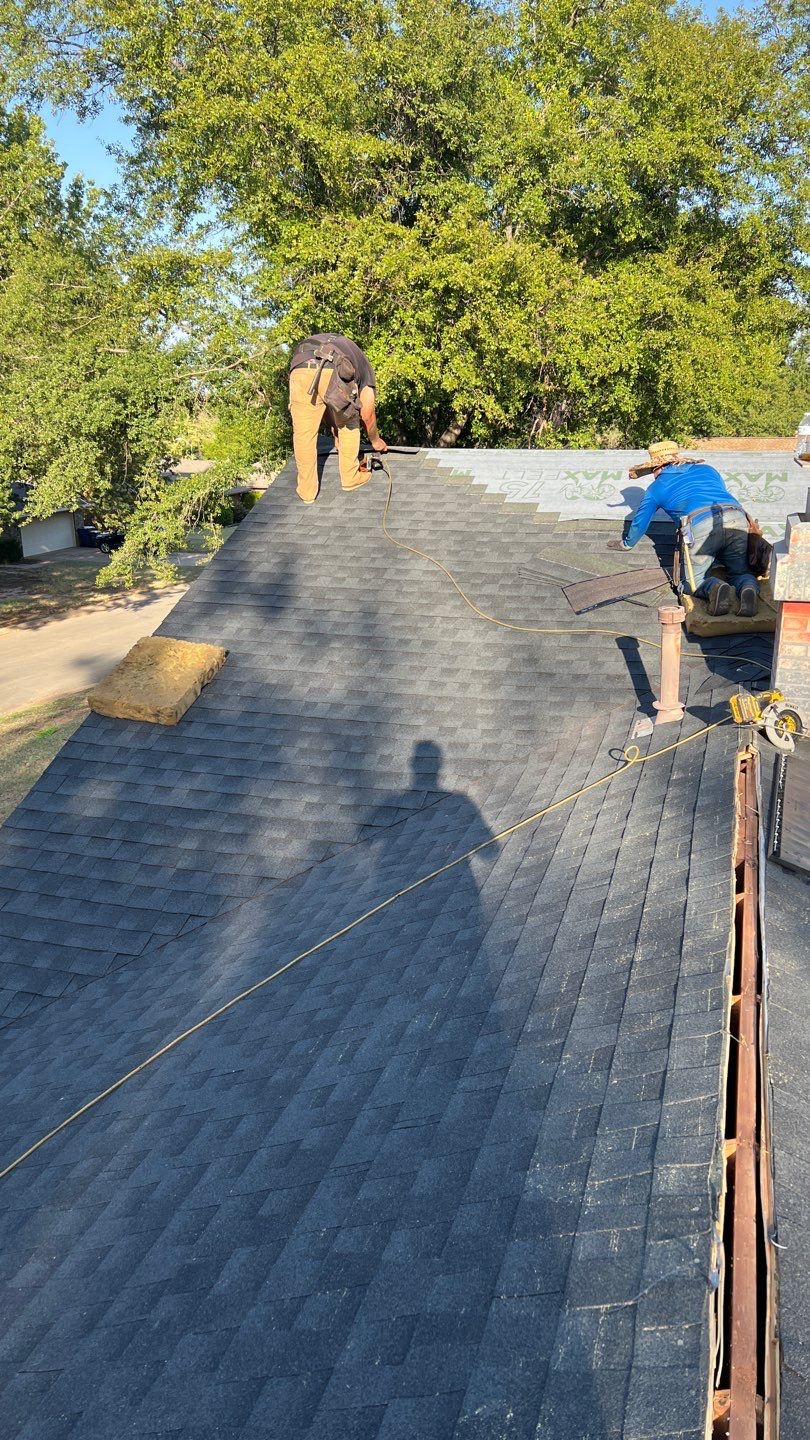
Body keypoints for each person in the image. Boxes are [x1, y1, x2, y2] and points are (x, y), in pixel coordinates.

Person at [622, 440, 759, 617]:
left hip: (700, 525)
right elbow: (719, 494)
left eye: (652, 471)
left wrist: (626, 544)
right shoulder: (708, 469)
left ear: (658, 467)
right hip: (736, 517)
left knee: (691, 583)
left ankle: (715, 588)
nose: (653, 475)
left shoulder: (656, 487)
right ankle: (748, 588)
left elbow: (640, 522)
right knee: (740, 571)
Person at [288, 332, 388, 504]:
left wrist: (335, 435)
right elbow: (367, 414)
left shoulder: (347, 348)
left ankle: (307, 492)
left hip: (300, 366)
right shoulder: (366, 371)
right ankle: (350, 477)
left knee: (304, 435)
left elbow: (325, 406)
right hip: (332, 366)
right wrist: (376, 440)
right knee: (350, 420)